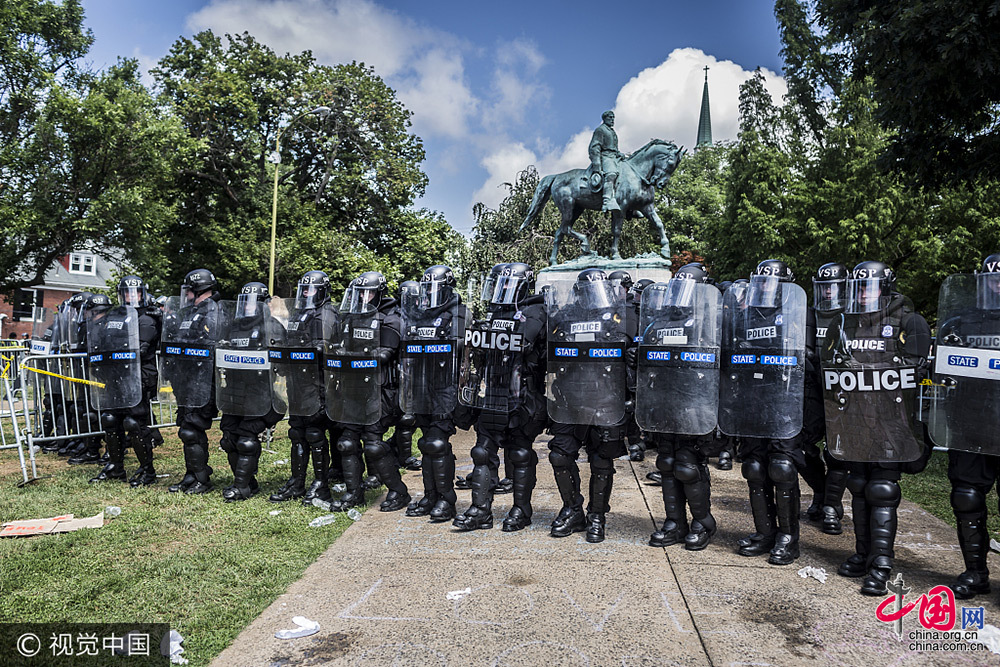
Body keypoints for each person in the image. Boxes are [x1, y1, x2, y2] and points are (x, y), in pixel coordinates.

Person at [824, 261, 932, 595]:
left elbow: (917, 376)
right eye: (859, 288)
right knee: (857, 485)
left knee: (882, 490)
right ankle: (861, 553)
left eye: (869, 287)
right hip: (854, 418)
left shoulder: (907, 321)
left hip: (890, 422)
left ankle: (882, 563)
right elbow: (830, 366)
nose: (864, 294)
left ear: (884, 287)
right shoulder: (844, 323)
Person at [723, 260, 810, 566]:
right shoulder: (744, 316)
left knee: (782, 469)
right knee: (754, 469)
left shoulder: (798, 315)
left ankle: (789, 538)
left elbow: (809, 364)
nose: (765, 289)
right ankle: (764, 532)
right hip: (751, 401)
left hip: (783, 403)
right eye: (760, 283)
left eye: (771, 283)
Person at [926, 255, 1000, 600]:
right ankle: (975, 572)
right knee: (966, 497)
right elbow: (940, 376)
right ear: (981, 282)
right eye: (991, 279)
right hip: (971, 425)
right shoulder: (959, 323)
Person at [454, 262, 547, 532]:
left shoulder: (535, 310)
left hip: (522, 395)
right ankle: (481, 511)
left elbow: (524, 341)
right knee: (482, 452)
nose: (502, 289)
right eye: (499, 284)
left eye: (508, 284)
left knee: (519, 453)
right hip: (492, 393)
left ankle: (521, 509)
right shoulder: (494, 313)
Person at [546, 268, 635, 543]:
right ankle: (572, 510)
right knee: (559, 456)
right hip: (569, 398)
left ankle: (597, 515)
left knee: (601, 460)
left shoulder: (621, 314)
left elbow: (629, 346)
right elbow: (549, 344)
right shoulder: (565, 315)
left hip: (606, 399)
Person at [639, 264, 721, 550]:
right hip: (664, 402)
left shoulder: (711, 320)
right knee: (667, 464)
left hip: (695, 404)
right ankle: (674, 522)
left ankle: (703, 522)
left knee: (688, 465)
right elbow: (645, 357)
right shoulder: (660, 321)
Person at [328, 271, 408, 512]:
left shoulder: (391, 319)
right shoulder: (350, 318)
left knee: (373, 445)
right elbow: (335, 346)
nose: (364, 297)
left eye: (369, 292)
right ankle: (354, 494)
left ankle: (398, 492)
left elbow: (384, 355)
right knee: (346, 443)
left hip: (380, 391)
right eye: (360, 292)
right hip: (352, 389)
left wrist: (351, 357)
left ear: (380, 293)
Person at [400, 265, 468, 522]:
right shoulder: (419, 313)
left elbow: (460, 342)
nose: (430, 293)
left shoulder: (457, 311)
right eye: (427, 288)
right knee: (426, 443)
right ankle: (430, 495)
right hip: (420, 384)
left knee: (438, 444)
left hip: (444, 385)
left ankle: (447, 499)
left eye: (435, 288)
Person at [269, 270, 337, 504]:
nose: (306, 293)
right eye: (303, 289)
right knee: (297, 432)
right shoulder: (300, 314)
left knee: (314, 432)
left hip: (317, 383)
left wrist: (296, 355)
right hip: (296, 382)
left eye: (311, 289)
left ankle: (321, 484)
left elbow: (322, 349)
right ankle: (297, 482)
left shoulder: (324, 314)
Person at [89, 276, 162, 486]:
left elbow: (141, 348)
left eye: (136, 292)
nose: (131, 297)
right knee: (111, 419)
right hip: (115, 374)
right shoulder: (116, 317)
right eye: (127, 293)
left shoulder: (147, 318)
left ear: (142, 294)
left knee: (134, 422)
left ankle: (147, 470)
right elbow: (102, 341)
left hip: (139, 375)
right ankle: (115, 467)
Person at [216, 282, 284, 501]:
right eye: (244, 302)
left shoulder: (272, 326)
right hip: (234, 391)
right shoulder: (233, 326)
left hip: (260, 393)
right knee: (228, 438)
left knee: (246, 438)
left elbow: (282, 364)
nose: (247, 307)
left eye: (253, 302)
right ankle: (249, 482)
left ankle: (241, 486)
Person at [164, 269, 222, 494]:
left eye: (188, 289)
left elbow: (211, 344)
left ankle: (201, 478)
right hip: (185, 378)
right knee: (186, 428)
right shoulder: (190, 312)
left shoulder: (213, 311)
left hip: (202, 379)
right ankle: (191, 474)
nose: (185, 293)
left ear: (198, 288)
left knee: (193, 429)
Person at [812, 263, 850, 535]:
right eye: (824, 286)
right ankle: (822, 492)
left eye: (833, 286)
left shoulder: (853, 316)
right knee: (796, 447)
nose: (828, 291)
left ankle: (830, 507)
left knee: (839, 453)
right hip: (812, 391)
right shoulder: (808, 314)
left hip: (843, 394)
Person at [589, 110, 622, 211]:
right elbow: (594, 147)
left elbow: (613, 147)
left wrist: (618, 153)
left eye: (613, 118)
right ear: (604, 119)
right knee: (611, 174)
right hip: (606, 157)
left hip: (614, 157)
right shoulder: (600, 130)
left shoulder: (612, 132)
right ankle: (607, 201)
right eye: (610, 118)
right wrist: (597, 165)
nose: (612, 120)